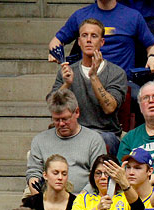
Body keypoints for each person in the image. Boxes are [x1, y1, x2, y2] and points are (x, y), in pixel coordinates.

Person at [51, 18, 127, 155]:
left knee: (104, 139)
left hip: (105, 133)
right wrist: (66, 84)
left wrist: (94, 77)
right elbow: (52, 106)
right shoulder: (67, 71)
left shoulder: (117, 73)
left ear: (102, 42)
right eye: (84, 36)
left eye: (94, 36)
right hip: (73, 130)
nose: (89, 40)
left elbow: (109, 107)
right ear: (79, 42)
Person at [48, 0, 154, 74]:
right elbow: (56, 41)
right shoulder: (80, 15)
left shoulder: (133, 16)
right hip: (87, 78)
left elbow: (152, 46)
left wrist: (152, 57)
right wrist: (57, 54)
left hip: (122, 81)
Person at [27, 89, 104, 196]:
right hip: (48, 199)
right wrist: (39, 201)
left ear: (77, 112)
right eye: (56, 120)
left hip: (82, 199)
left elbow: (98, 176)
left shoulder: (94, 140)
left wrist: (78, 202)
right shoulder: (40, 140)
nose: (61, 124)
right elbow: (33, 174)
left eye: (65, 118)